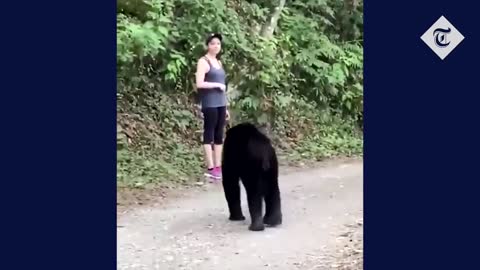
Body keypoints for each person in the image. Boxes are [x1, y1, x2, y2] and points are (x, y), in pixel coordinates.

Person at [195, 33, 230, 180]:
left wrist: (226, 106)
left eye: (218, 44)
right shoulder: (203, 61)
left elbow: (223, 88)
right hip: (209, 103)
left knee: (219, 135)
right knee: (209, 133)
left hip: (221, 103)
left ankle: (218, 166)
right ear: (208, 45)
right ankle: (210, 167)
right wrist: (216, 85)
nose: (216, 46)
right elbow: (199, 83)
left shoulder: (219, 63)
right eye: (213, 43)